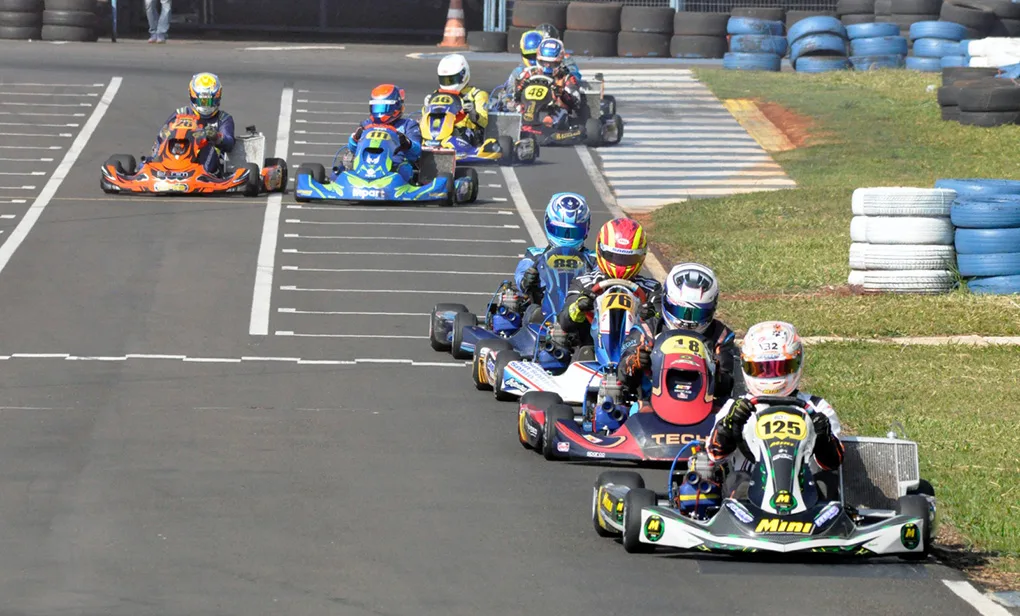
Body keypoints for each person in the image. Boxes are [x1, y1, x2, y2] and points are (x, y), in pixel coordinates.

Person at [707, 321, 845, 501]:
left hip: (805, 493)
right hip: (751, 494)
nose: (771, 376)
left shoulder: (817, 407)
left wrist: (823, 436)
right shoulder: (737, 407)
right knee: (738, 483)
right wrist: (730, 425)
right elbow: (715, 453)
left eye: (779, 368)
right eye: (761, 369)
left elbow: (832, 463)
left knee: (826, 484)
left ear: (796, 363)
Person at [618, 263, 739, 398]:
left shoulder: (721, 337)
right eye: (681, 311)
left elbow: (727, 386)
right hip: (649, 404)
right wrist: (635, 362)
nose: (687, 322)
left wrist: (716, 375)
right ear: (666, 301)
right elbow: (623, 375)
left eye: (697, 314)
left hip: (704, 407)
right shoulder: (647, 330)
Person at [556, 217, 662, 343]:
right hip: (591, 350)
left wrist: (649, 316)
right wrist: (579, 307)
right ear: (600, 251)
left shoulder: (651, 288)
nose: (621, 263)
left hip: (635, 353)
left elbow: (664, 326)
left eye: (628, 259)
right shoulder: (584, 283)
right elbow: (563, 323)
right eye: (614, 256)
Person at [515, 192, 598, 304]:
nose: (566, 237)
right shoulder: (535, 255)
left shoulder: (593, 259)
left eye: (574, 232)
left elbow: (603, 278)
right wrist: (525, 281)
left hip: (581, 309)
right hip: (543, 307)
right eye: (561, 231)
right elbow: (521, 273)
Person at [153, 73, 234, 175]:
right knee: (166, 140)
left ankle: (202, 174)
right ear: (193, 96)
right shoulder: (181, 113)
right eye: (202, 101)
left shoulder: (223, 119)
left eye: (208, 101)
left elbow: (230, 142)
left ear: (217, 97)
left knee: (208, 148)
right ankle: (151, 166)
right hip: (181, 153)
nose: (205, 104)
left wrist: (216, 137)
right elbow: (163, 133)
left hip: (209, 163)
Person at [347, 84, 422, 183]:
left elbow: (417, 153)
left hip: (394, 167)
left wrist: (407, 143)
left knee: (404, 169)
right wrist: (355, 139)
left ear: (396, 108)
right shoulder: (366, 124)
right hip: (365, 164)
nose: (380, 112)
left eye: (383, 107)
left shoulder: (408, 125)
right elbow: (353, 148)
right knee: (340, 170)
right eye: (377, 107)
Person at [516, 38, 583, 126]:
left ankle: (548, 130)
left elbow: (575, 103)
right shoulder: (529, 73)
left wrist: (561, 93)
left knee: (561, 111)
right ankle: (518, 127)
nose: (547, 66)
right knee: (516, 107)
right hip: (528, 108)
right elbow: (514, 94)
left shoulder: (566, 77)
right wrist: (519, 90)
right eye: (544, 62)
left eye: (551, 63)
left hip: (553, 111)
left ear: (560, 62)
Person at [429, 54, 489, 145]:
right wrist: (426, 108)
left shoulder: (477, 94)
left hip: (464, 134)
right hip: (438, 130)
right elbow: (427, 117)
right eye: (445, 79)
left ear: (463, 75)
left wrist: (473, 113)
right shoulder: (436, 94)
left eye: (451, 79)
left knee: (457, 132)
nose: (448, 83)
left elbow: (484, 123)